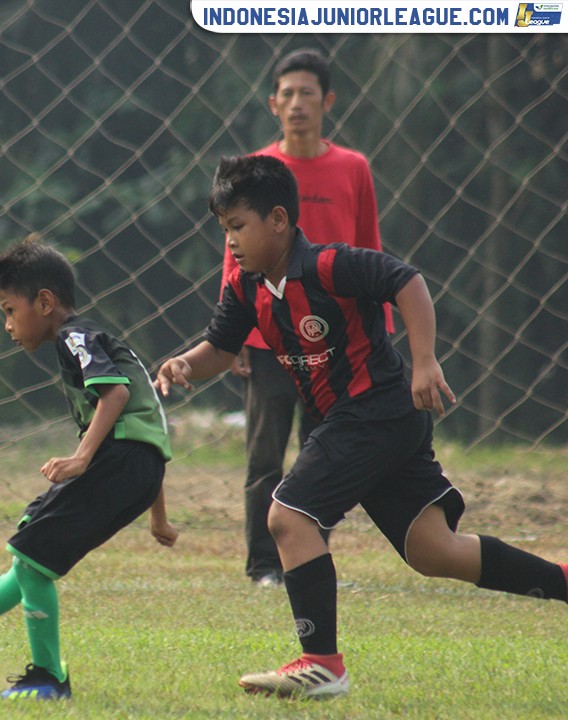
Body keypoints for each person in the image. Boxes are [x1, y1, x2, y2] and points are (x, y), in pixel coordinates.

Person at [155, 154, 567, 699]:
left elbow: (407, 282)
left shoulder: (327, 265)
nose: (229, 241)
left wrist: (424, 361)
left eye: (237, 227)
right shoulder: (245, 287)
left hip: (375, 408)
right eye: (224, 229)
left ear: (278, 221)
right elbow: (221, 347)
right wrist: (185, 363)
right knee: (433, 550)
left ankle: (321, 664)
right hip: (373, 421)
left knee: (288, 516)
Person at [0, 238, 178, 700]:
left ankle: (48, 677)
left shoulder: (74, 337)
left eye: (10, 310)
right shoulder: (93, 344)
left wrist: (82, 457)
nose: (7, 325)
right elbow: (151, 432)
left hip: (120, 464)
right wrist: (157, 514)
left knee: (31, 554)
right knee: (31, 557)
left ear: (44, 302)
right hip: (136, 469)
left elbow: (119, 398)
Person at [224, 48, 387, 587]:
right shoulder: (255, 171)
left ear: (328, 102)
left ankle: (309, 563)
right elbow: (235, 256)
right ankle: (264, 566)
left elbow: (370, 251)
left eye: (307, 94)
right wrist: (234, 337)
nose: (297, 104)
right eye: (287, 94)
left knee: (326, 458)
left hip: (336, 343)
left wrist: (380, 328)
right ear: (273, 104)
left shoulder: (353, 168)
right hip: (270, 338)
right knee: (265, 456)